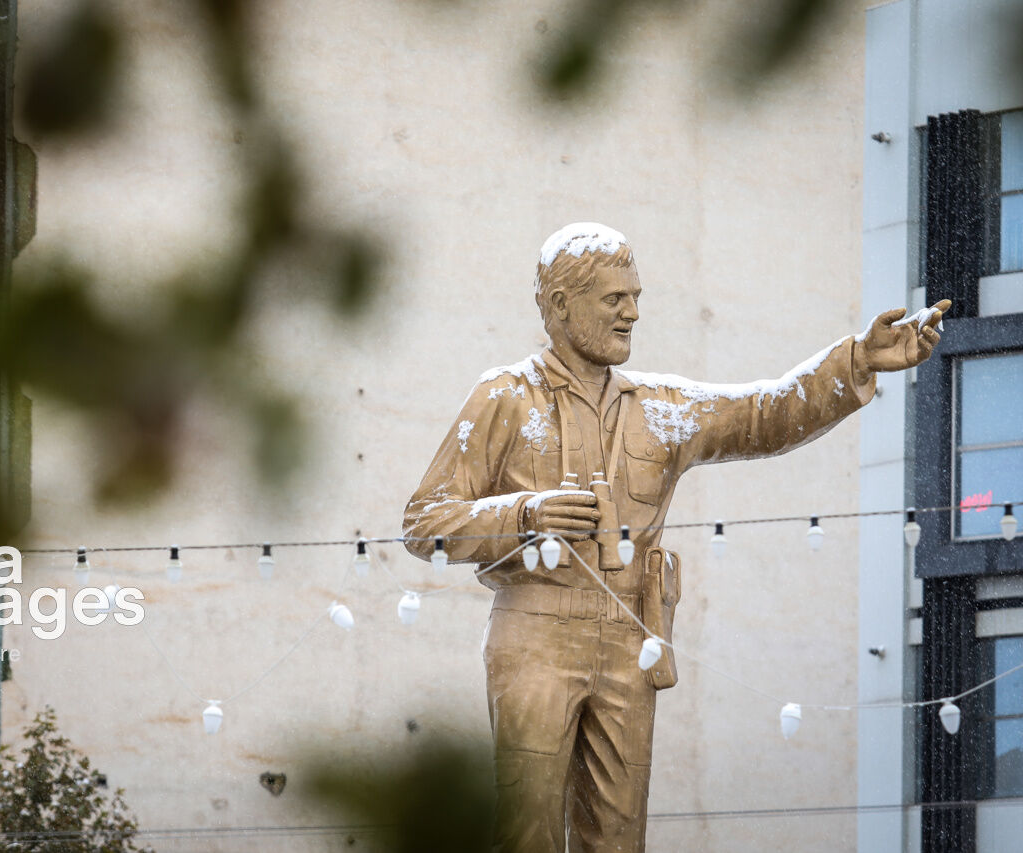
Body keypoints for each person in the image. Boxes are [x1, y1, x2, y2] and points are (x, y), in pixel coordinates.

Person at [402, 222, 949, 853]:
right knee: (527, 831)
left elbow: (763, 413)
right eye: (614, 299)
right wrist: (528, 515)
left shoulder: (659, 406)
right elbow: (425, 522)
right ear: (559, 305)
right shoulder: (505, 397)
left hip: (632, 637)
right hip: (536, 632)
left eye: (634, 296)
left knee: (618, 835)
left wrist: (857, 359)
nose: (633, 313)